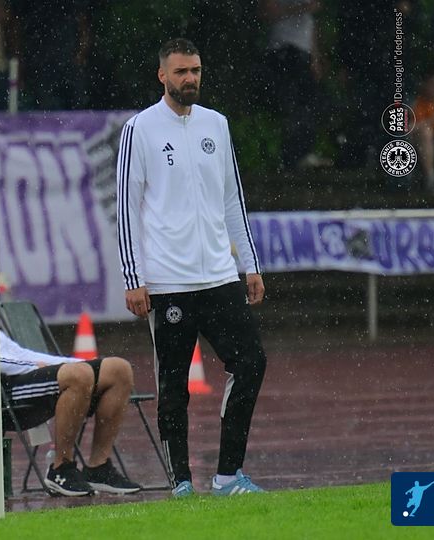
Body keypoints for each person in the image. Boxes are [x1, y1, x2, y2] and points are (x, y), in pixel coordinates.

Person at [116, 38, 267, 498]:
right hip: (168, 282)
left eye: (196, 70)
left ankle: (227, 476)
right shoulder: (139, 129)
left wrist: (250, 265)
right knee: (173, 386)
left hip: (219, 276)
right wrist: (134, 278)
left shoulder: (216, 125)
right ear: (162, 75)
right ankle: (180, 482)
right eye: (181, 71)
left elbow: (231, 199)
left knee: (251, 362)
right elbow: (126, 208)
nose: (190, 79)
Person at [0, 245, 141, 497]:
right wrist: (40, 367)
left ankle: (98, 467)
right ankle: (61, 468)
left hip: (18, 380)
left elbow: (16, 352)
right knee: (78, 376)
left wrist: (75, 362)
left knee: (118, 369)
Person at [258, 0, 331, 169]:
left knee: (308, 103)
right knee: (292, 104)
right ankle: (290, 155)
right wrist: (301, 8)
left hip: (304, 53)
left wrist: (315, 57)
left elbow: (310, 25)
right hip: (284, 49)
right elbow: (266, 13)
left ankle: (303, 152)